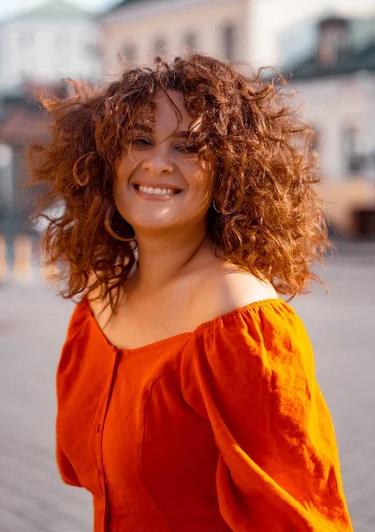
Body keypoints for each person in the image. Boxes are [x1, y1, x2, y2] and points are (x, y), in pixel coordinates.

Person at [27, 53, 353, 531]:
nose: (157, 163)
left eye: (188, 147)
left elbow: (301, 518)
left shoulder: (239, 319)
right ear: (103, 160)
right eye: (139, 140)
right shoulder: (100, 299)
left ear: (230, 170)